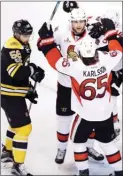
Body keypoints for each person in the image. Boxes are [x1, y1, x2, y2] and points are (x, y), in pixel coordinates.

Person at [37, 19, 123, 176]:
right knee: (109, 144)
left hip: (86, 115)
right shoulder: (106, 59)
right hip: (105, 114)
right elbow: (117, 50)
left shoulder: (76, 66)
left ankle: (83, 172)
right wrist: (110, 33)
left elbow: (55, 60)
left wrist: (46, 42)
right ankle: (119, 172)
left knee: (77, 143)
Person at [51, 5, 104, 164]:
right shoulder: (61, 33)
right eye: (75, 22)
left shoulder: (93, 35)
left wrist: (104, 30)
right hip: (66, 84)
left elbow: (110, 44)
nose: (79, 25)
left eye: (81, 21)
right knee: (64, 119)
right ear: (70, 22)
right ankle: (61, 149)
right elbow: (46, 44)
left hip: (85, 86)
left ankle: (89, 146)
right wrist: (44, 35)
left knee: (90, 118)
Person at [1, 19, 45, 176]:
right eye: (24, 35)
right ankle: (17, 166)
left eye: (29, 35)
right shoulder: (13, 47)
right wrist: (32, 70)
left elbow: (21, 71)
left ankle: (7, 151)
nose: (27, 38)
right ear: (16, 34)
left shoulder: (22, 44)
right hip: (10, 95)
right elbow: (16, 72)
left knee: (15, 126)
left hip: (13, 93)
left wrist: (28, 89)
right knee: (25, 129)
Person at [87, 9, 123, 141]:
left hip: (119, 67)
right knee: (110, 95)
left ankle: (113, 120)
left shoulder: (118, 32)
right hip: (110, 68)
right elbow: (85, 21)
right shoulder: (98, 23)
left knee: (112, 94)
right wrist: (92, 27)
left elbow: (116, 49)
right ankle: (113, 120)